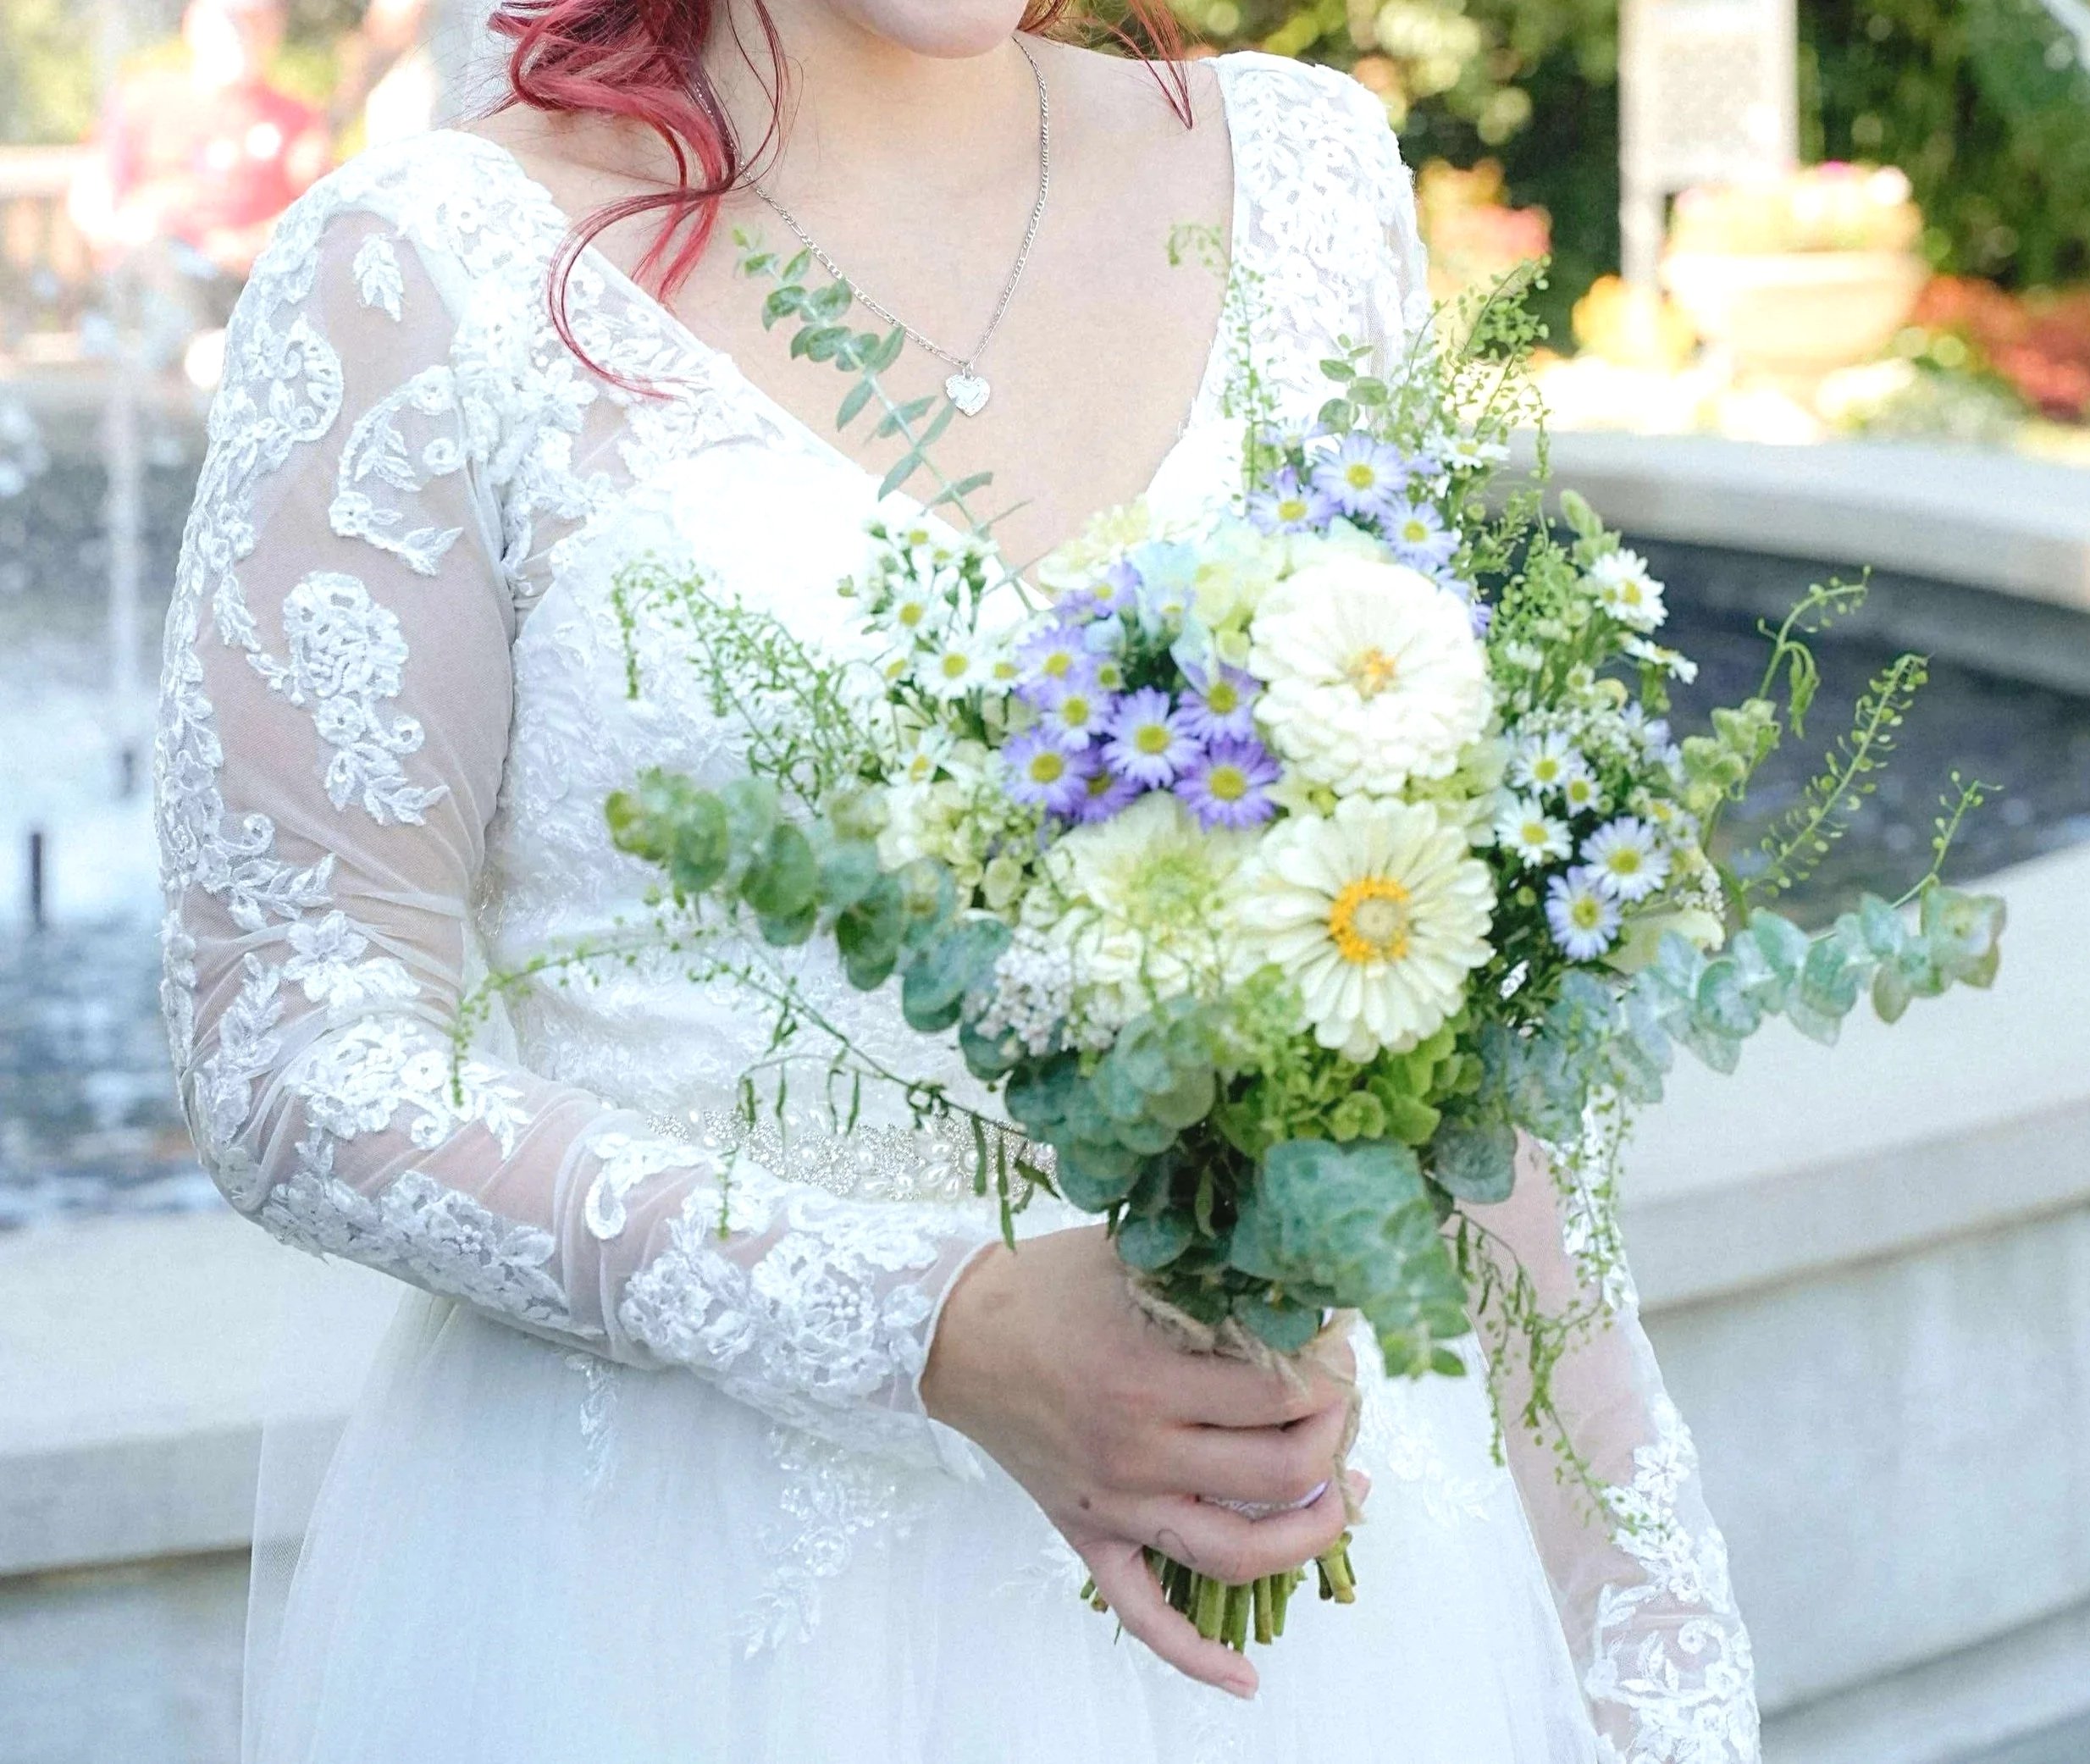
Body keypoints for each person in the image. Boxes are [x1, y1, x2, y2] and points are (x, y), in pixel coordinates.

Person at [155, 2, 1761, 1759]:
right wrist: (929, 1325)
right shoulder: (427, 275)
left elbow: (1457, 997)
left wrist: (1649, 1646)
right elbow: (289, 1047)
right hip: (681, 1624)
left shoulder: (1300, 179)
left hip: (1335, 1637)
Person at [73, 0, 330, 307]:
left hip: (249, 284)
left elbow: (323, 212)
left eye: (254, 21)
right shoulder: (143, 98)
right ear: (193, 22)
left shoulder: (297, 120)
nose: (241, 34)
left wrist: (253, 242)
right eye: (230, 20)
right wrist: (122, 230)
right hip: (157, 282)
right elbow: (95, 191)